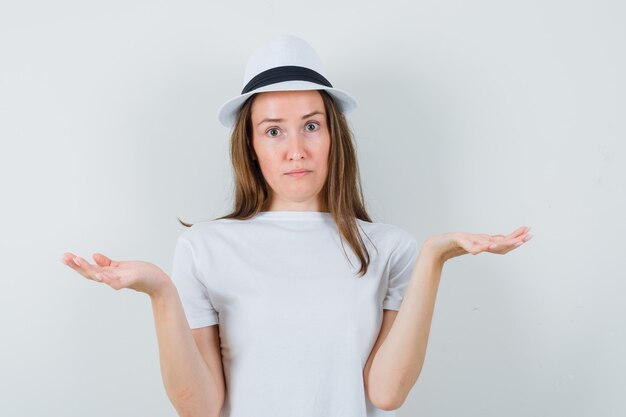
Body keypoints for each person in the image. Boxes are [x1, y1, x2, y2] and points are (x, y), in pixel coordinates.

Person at [61, 35, 532, 417]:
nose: (295, 149)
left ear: (333, 136)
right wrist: (160, 291)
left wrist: (434, 257)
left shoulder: (392, 249)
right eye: (273, 130)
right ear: (250, 146)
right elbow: (200, 408)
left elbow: (387, 394)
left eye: (311, 125)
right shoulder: (205, 248)